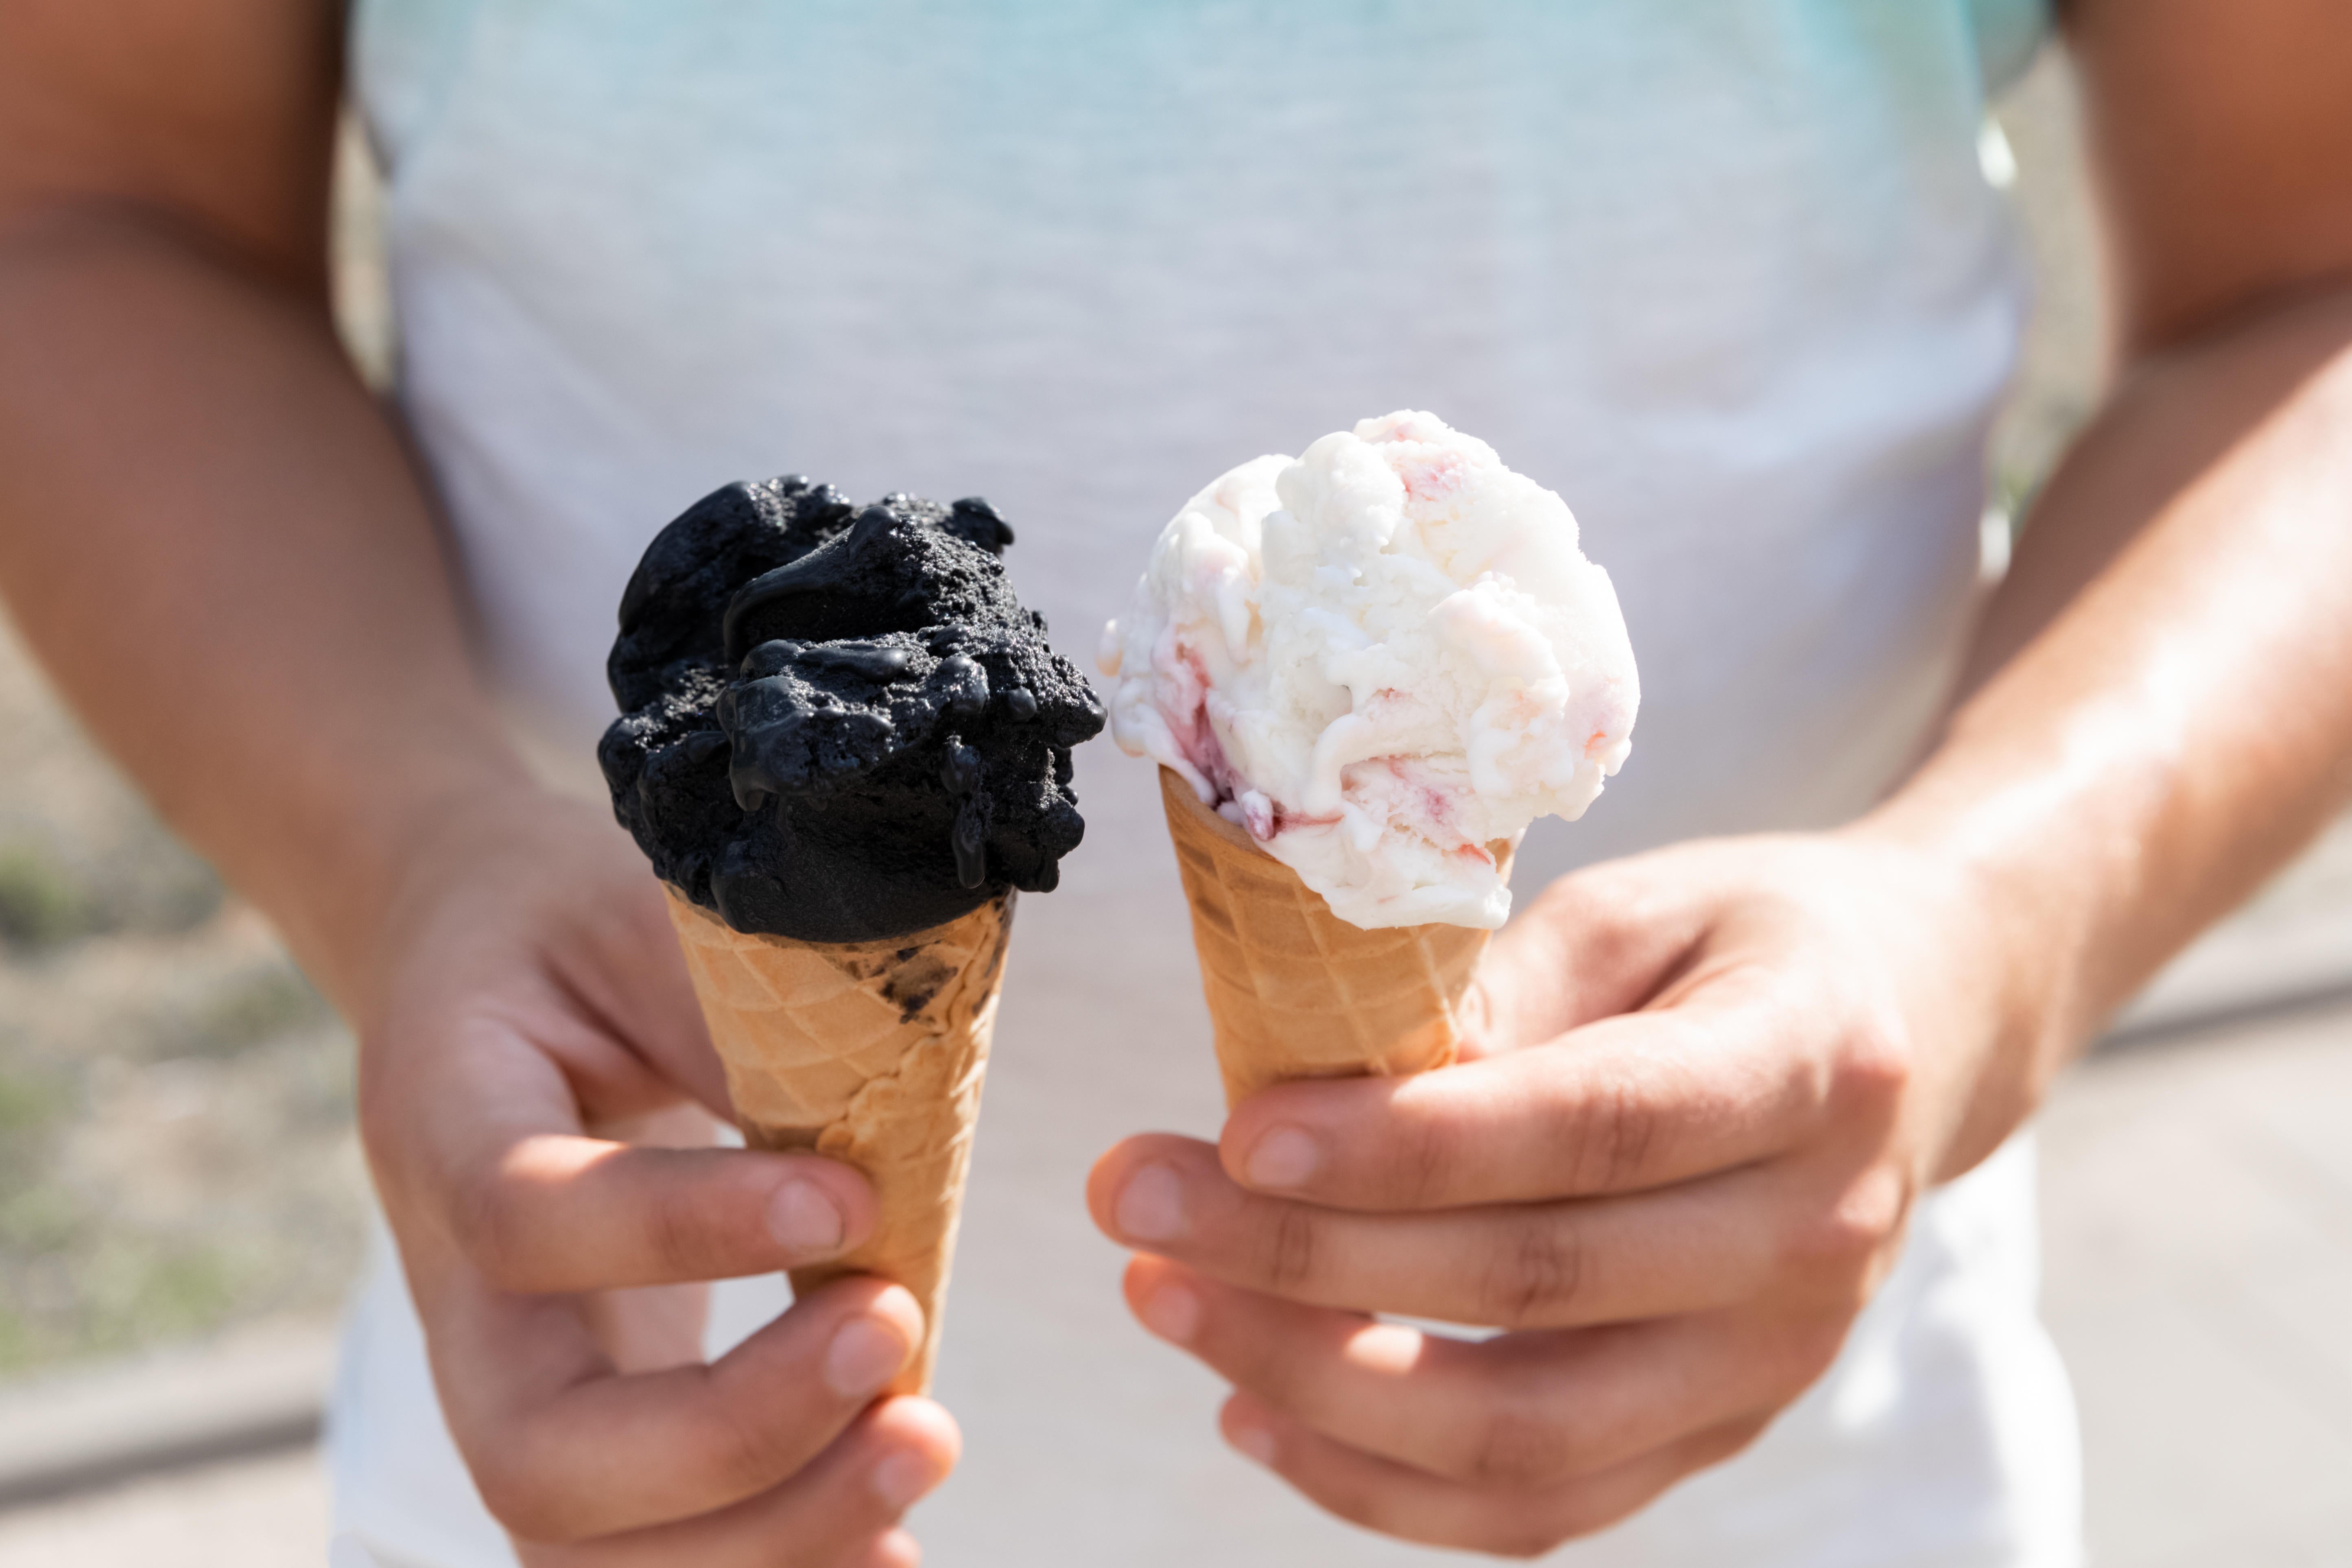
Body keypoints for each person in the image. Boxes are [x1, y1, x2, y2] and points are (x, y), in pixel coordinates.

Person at [4, 1, 2351, 1563]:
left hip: (1799, 1492)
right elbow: (75, 204)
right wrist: (400, 850)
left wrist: (1991, 918)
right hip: (575, 1441)